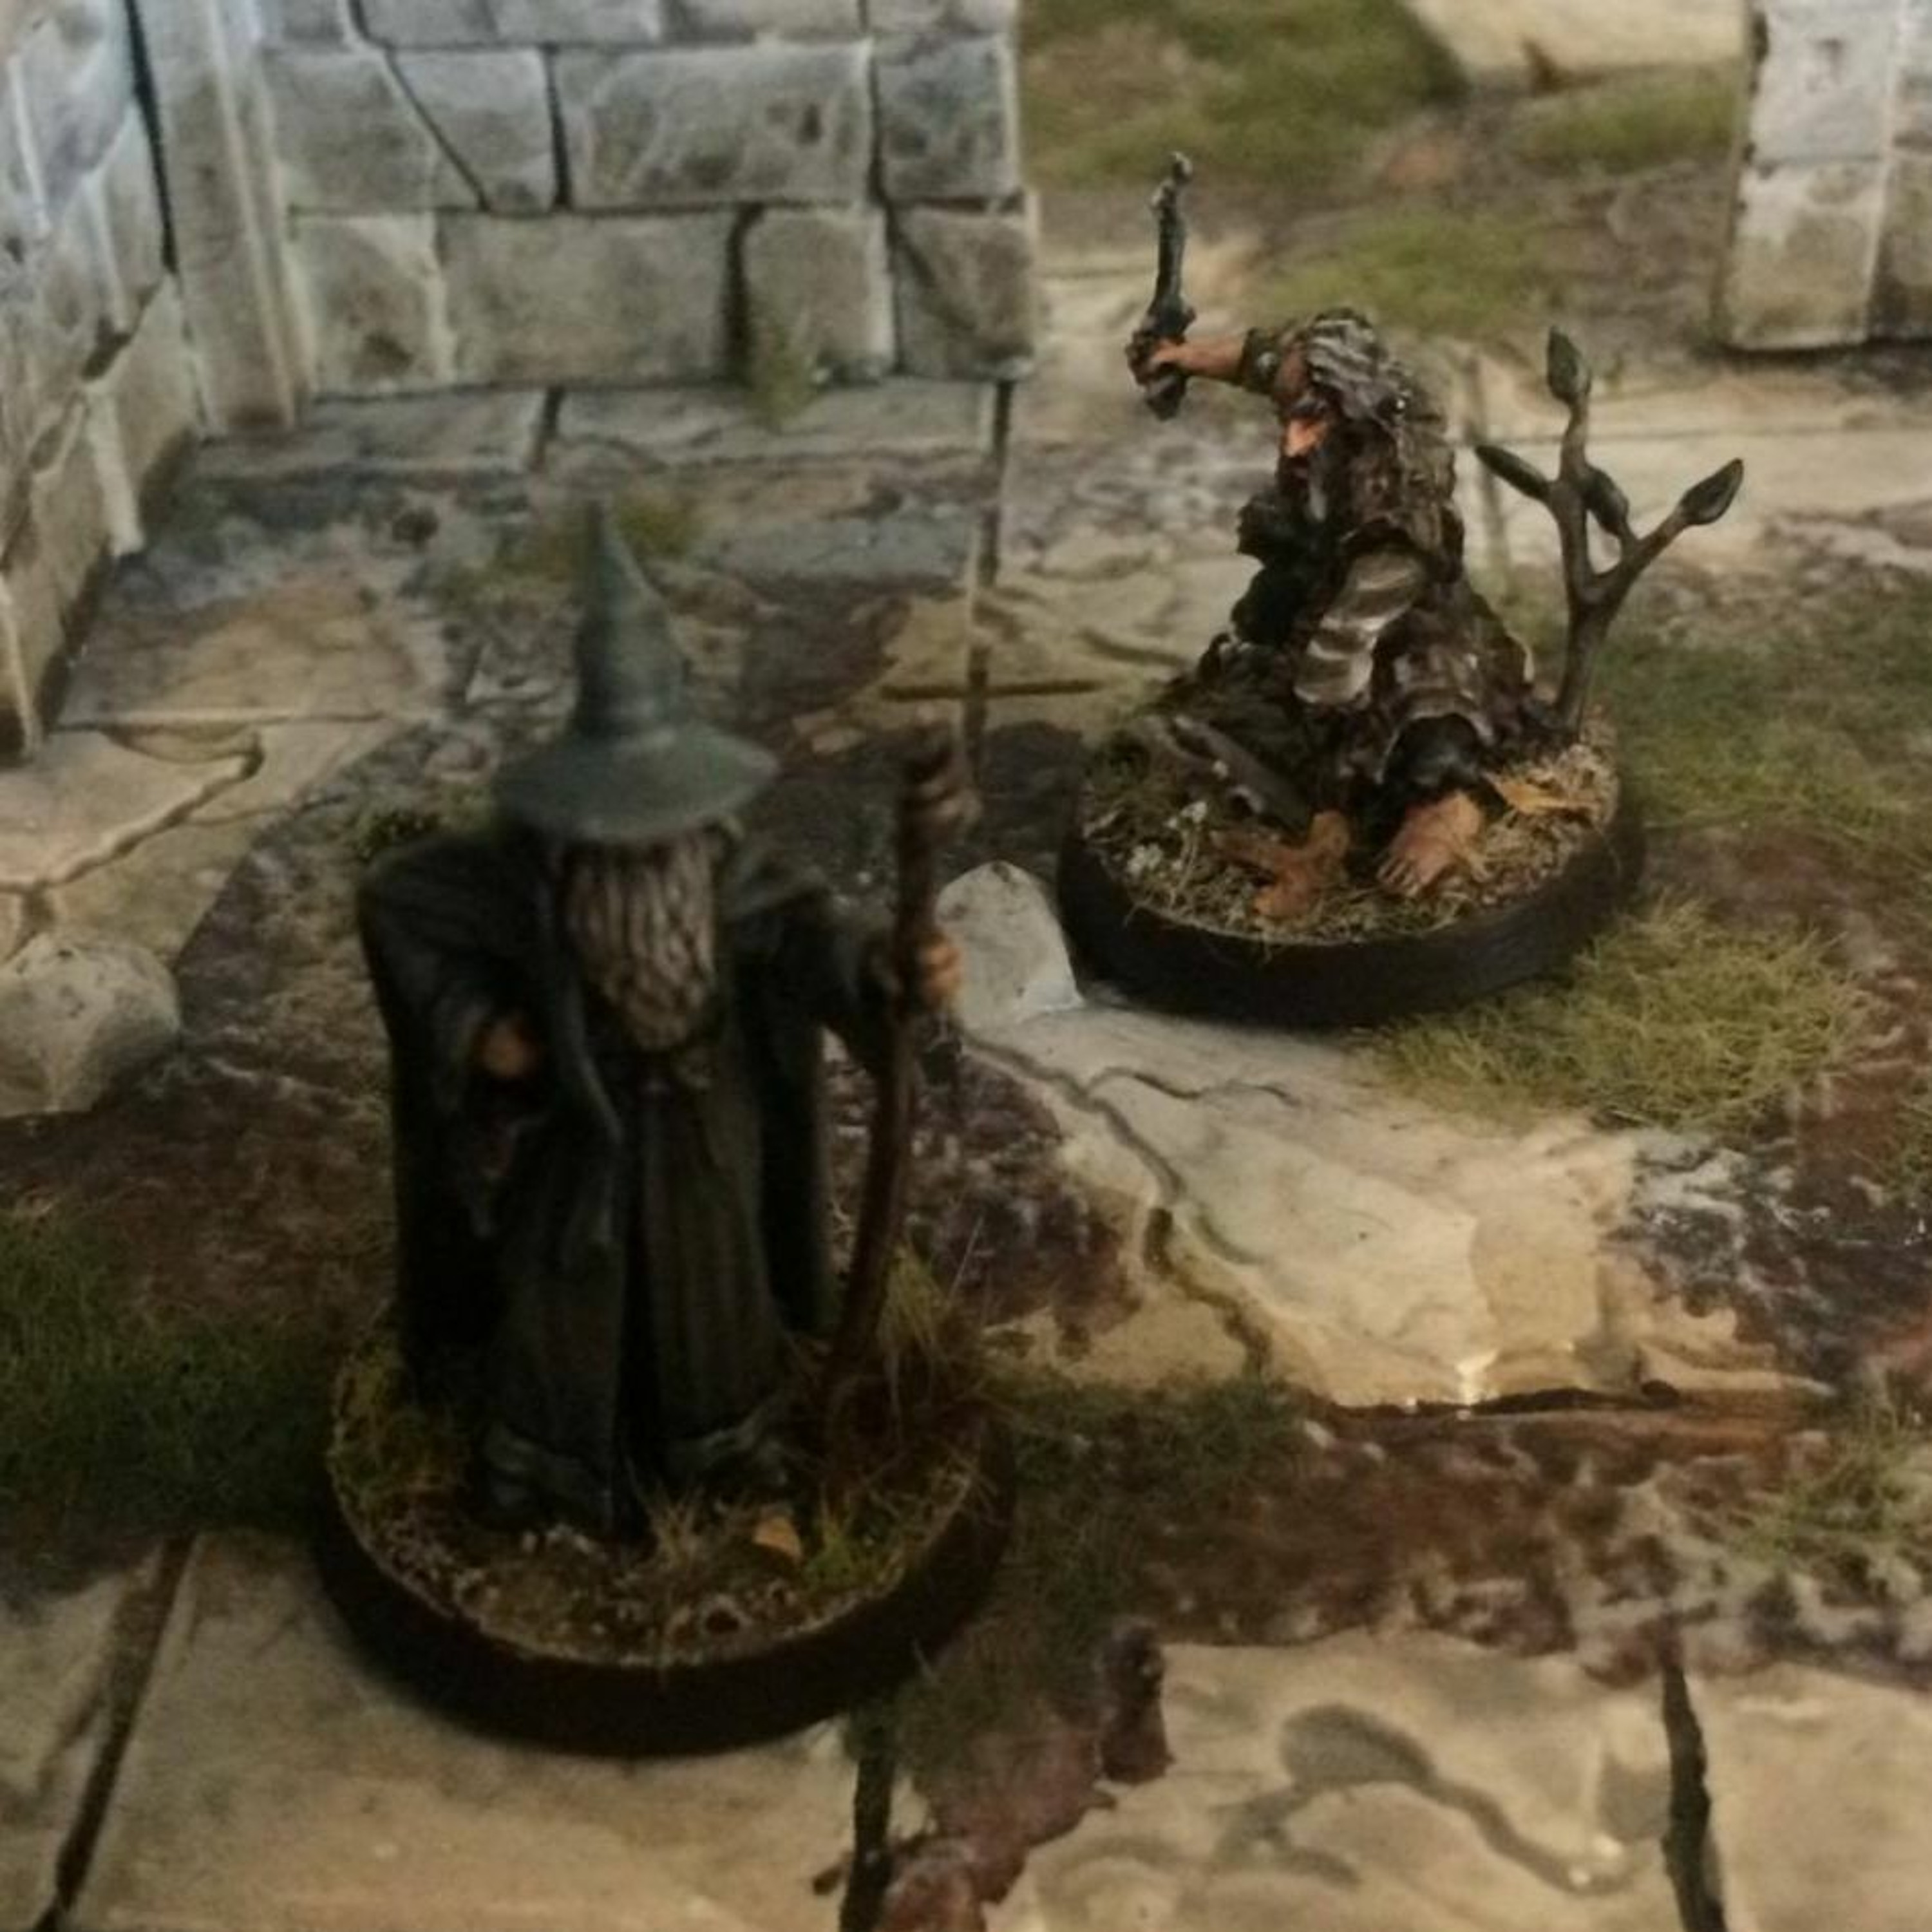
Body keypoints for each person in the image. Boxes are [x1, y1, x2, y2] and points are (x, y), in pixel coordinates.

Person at [358, 512, 959, 1535]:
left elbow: (806, 932)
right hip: (575, 1122)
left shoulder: (725, 872)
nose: (643, 840)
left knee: (709, 1289)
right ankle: (543, 1468)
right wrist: (475, 1026)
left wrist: (885, 968)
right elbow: (400, 905)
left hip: (700, 1117)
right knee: (563, 1300)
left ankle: (725, 1450)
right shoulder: (531, 872)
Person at [1135, 308, 1534, 895]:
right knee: (1264, 649)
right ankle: (1321, 779)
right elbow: (1262, 360)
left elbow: (1390, 567)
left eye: (1310, 416)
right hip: (1326, 580)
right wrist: (1184, 358)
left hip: (1405, 611)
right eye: (1291, 412)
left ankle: (1443, 808)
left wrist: (1334, 661)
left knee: (1423, 696)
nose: (1293, 435)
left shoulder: (1393, 462)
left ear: (1351, 405)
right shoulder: (1318, 403)